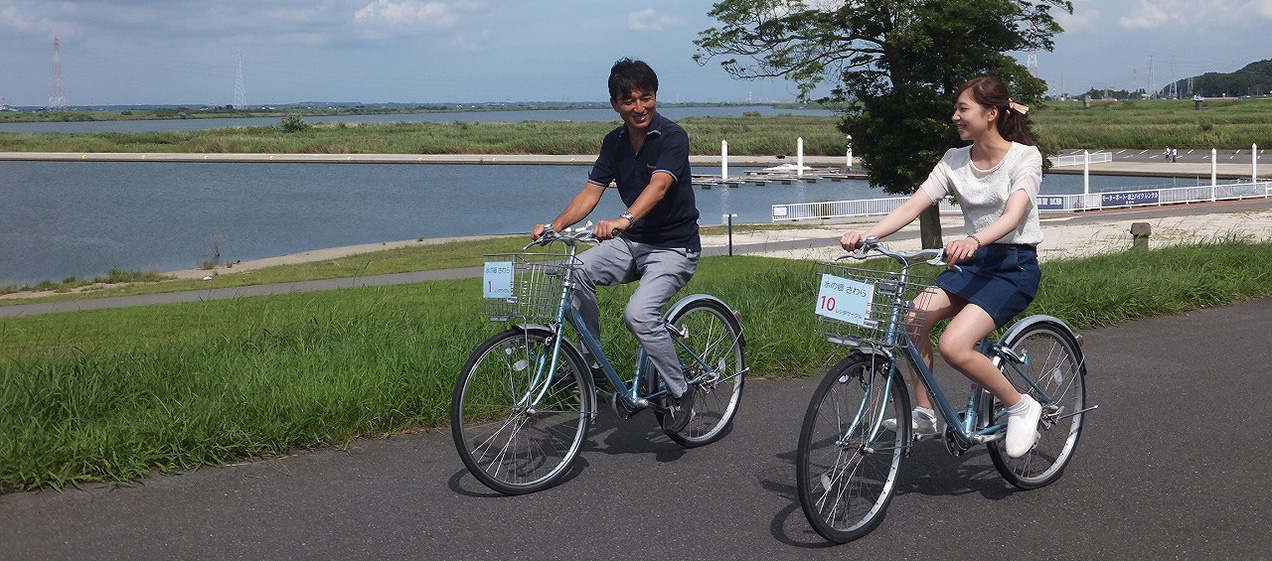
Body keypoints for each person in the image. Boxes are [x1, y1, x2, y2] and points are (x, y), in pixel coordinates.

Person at [838, 76, 1044, 459]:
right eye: (956, 109)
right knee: (912, 319)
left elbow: (1013, 215)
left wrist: (975, 239)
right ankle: (925, 412)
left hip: (1013, 267)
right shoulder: (954, 160)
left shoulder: (1025, 157)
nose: (955, 117)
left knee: (953, 345)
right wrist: (867, 235)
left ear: (991, 113)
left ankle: (1020, 405)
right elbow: (912, 205)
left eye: (963, 109)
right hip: (969, 263)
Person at [530, 58, 701, 432]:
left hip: (674, 248)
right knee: (573, 271)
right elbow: (591, 192)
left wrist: (624, 219)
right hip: (632, 243)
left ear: (655, 97)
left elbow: (659, 186)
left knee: (638, 315)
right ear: (615, 104)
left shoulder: (673, 137)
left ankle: (680, 390)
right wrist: (554, 226)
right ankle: (591, 366)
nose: (639, 107)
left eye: (646, 97)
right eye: (629, 100)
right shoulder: (614, 142)